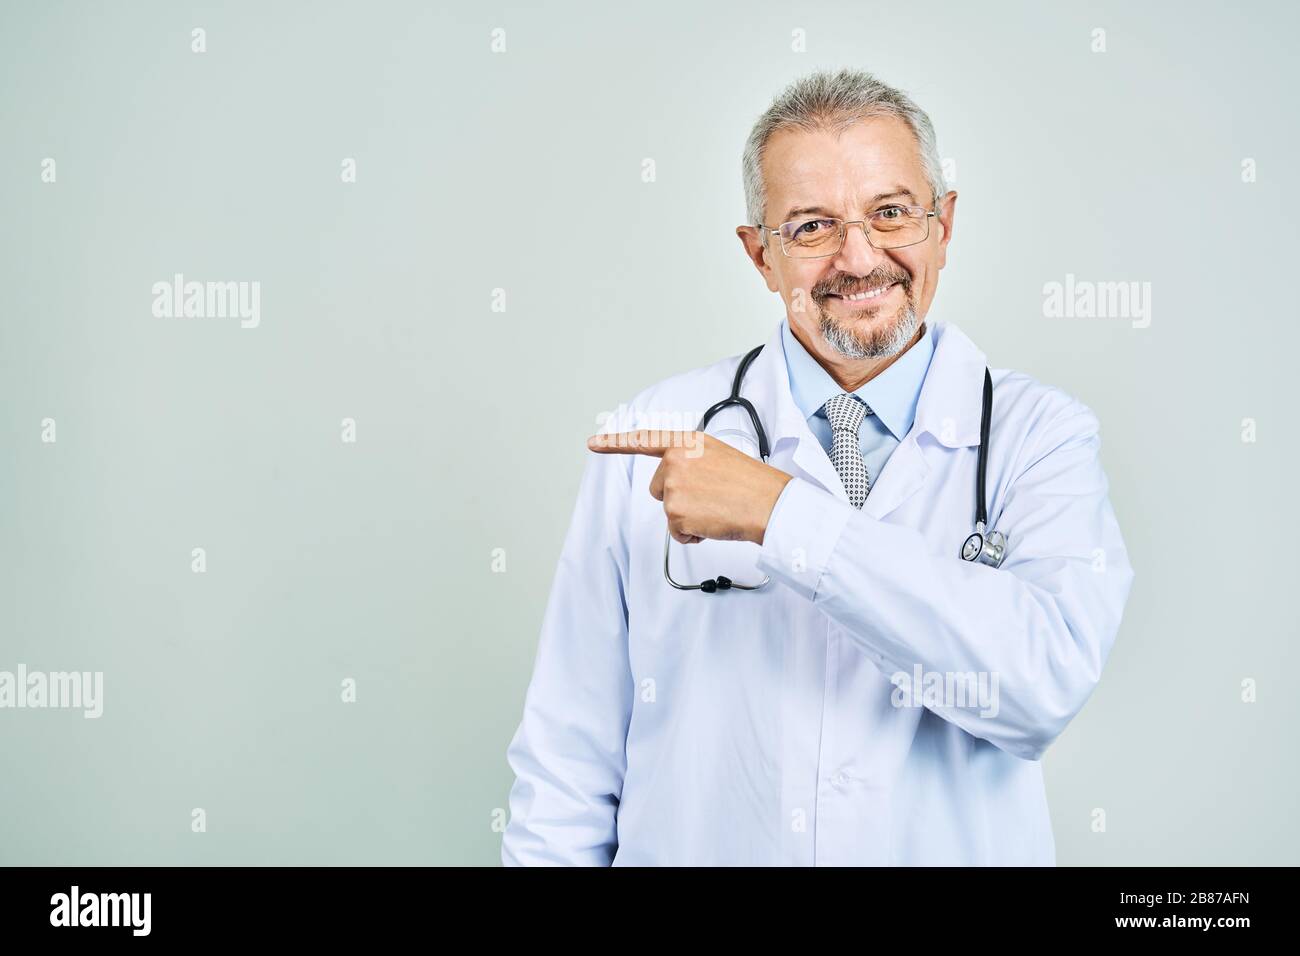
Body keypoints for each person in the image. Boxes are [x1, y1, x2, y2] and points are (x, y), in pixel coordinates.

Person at [501, 68, 1134, 866]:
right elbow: (567, 761)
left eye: (892, 213)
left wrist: (780, 514)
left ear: (945, 225)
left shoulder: (1040, 438)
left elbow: (1039, 689)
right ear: (760, 255)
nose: (860, 258)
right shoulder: (654, 437)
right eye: (811, 227)